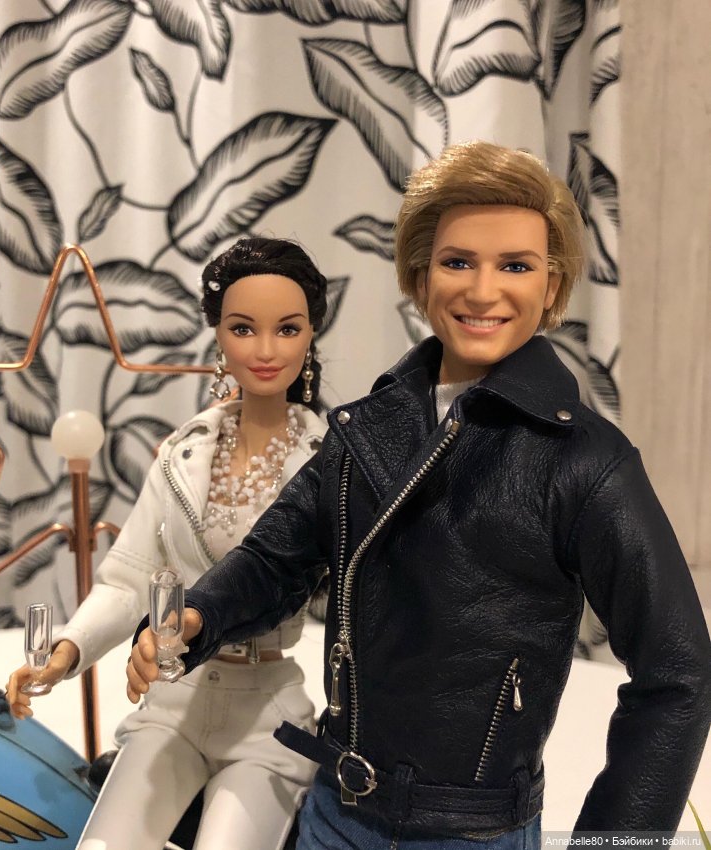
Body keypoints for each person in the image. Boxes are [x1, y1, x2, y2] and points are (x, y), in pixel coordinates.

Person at [127, 142, 711, 848]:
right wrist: (198, 617)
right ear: (419, 275)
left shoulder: (583, 460)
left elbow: (677, 673)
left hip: (471, 829)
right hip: (336, 809)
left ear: (553, 286)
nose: (483, 291)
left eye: (516, 266)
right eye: (457, 261)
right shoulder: (368, 427)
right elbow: (277, 557)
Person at [6, 236, 330, 850]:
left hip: (266, 710)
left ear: (311, 334)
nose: (265, 350)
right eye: (243, 328)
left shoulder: (332, 460)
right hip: (173, 702)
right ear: (219, 336)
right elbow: (130, 577)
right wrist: (68, 651)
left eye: (287, 329)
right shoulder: (185, 452)